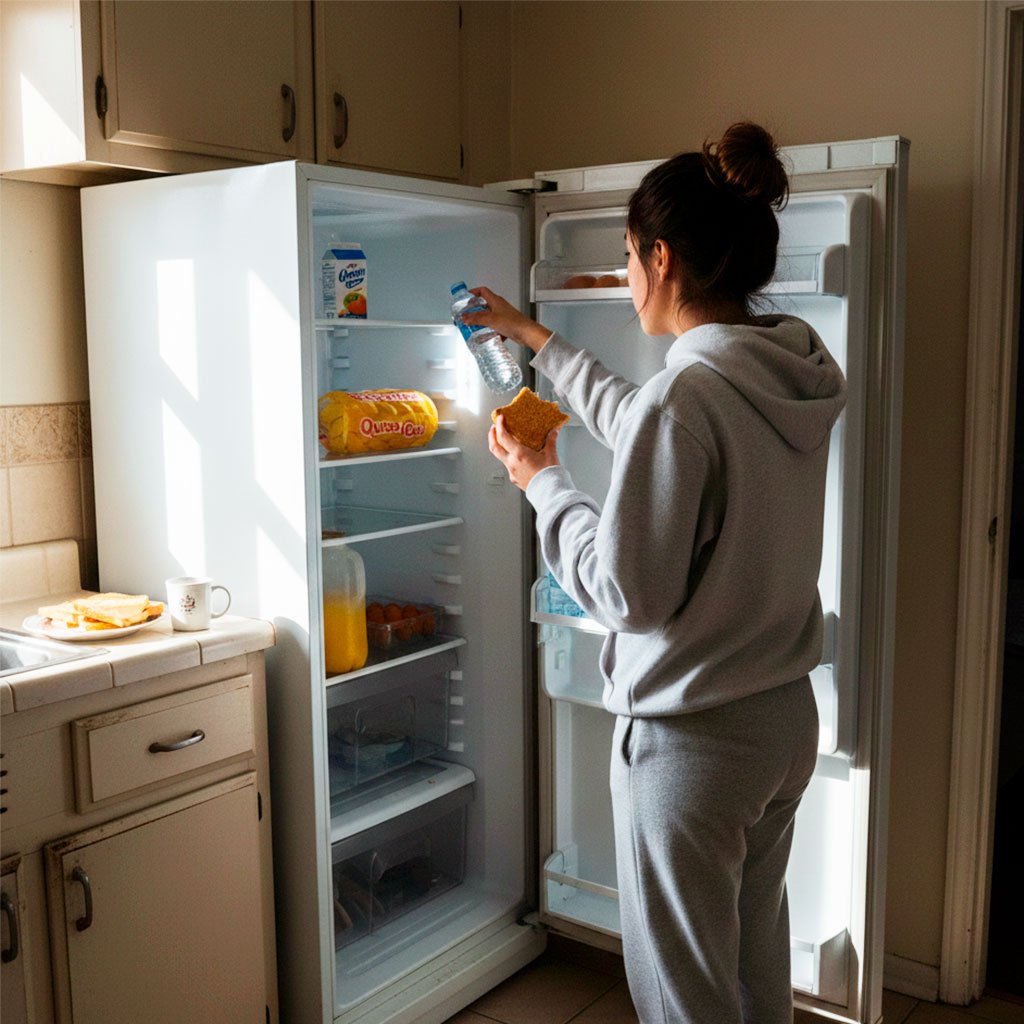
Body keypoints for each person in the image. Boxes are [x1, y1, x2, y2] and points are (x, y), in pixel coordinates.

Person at [462, 121, 847, 1024]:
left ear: (662, 258)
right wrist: (532, 337)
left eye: (630, 256)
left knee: (684, 998)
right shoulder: (783, 371)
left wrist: (543, 482)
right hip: (780, 722)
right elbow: (642, 418)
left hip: (694, 744)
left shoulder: (687, 399)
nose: (628, 274)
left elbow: (625, 594)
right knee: (752, 971)